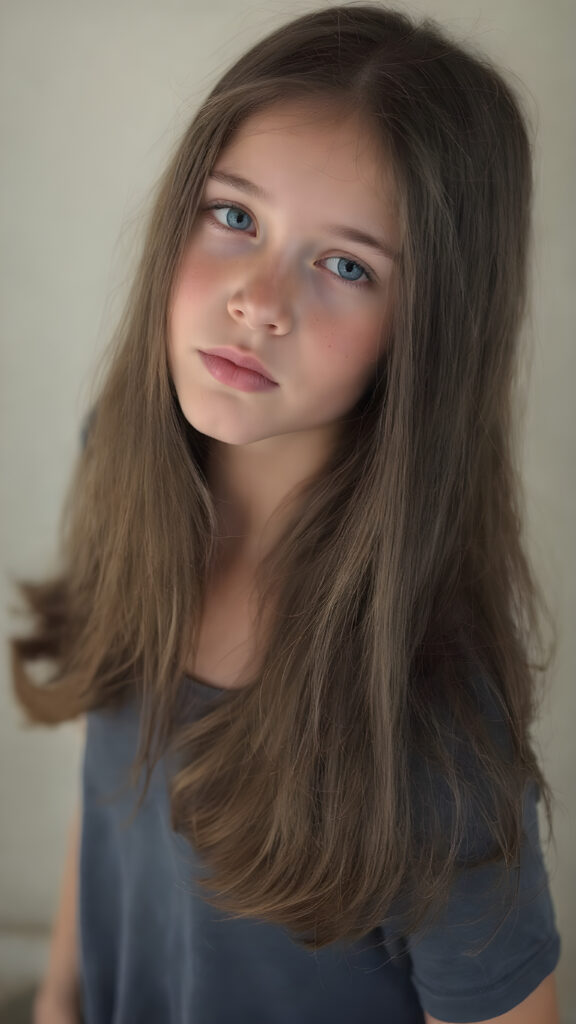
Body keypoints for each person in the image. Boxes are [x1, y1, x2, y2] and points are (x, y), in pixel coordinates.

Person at [10, 5, 562, 1023]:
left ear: (423, 334)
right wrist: (55, 1001)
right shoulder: (129, 467)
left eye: (346, 265)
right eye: (235, 215)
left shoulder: (431, 727)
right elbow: (115, 797)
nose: (260, 300)